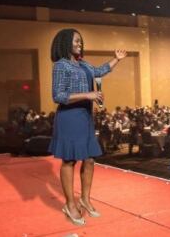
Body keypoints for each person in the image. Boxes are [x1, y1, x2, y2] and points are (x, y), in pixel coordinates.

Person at [48, 28, 126, 226]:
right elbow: (58, 96)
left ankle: (85, 199)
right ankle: (70, 204)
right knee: (70, 161)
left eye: (80, 40)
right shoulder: (61, 66)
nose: (79, 43)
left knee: (89, 159)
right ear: (66, 43)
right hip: (69, 118)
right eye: (76, 41)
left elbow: (99, 71)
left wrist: (116, 59)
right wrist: (88, 95)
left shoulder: (83, 64)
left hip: (85, 117)